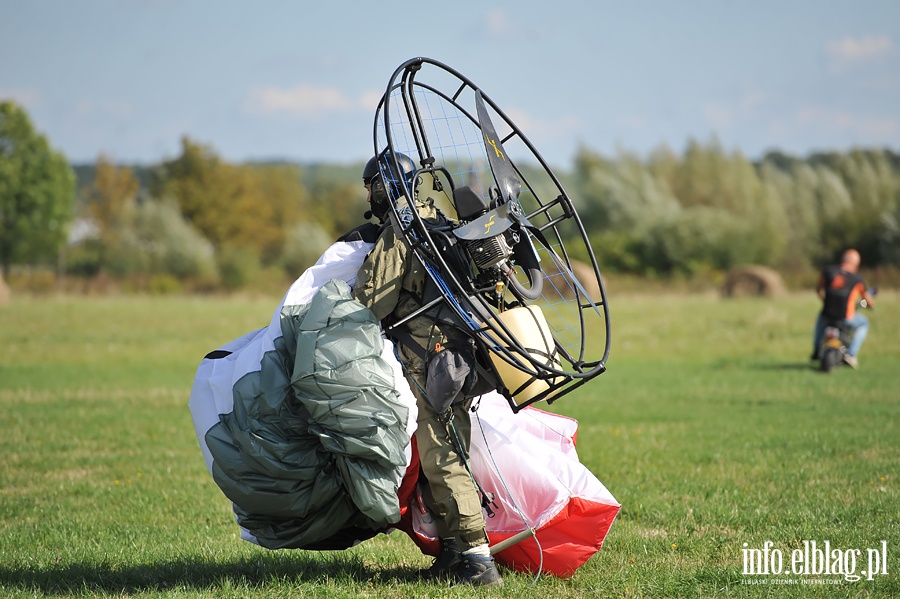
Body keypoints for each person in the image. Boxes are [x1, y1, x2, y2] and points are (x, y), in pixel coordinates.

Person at [352, 153, 503, 587]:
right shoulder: (443, 217)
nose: (369, 195)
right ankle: (454, 552)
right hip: (459, 351)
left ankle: (478, 561)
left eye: (371, 186)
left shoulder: (405, 225)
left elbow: (371, 297)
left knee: (443, 455)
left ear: (384, 185)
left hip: (427, 355)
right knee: (448, 446)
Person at [811, 248, 875, 369]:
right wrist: (869, 304)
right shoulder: (857, 279)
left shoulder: (828, 272)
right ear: (856, 264)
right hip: (846, 317)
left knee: (821, 319)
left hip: (827, 314)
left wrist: (826, 300)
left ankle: (816, 349)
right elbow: (868, 301)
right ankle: (851, 354)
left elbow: (819, 289)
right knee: (864, 323)